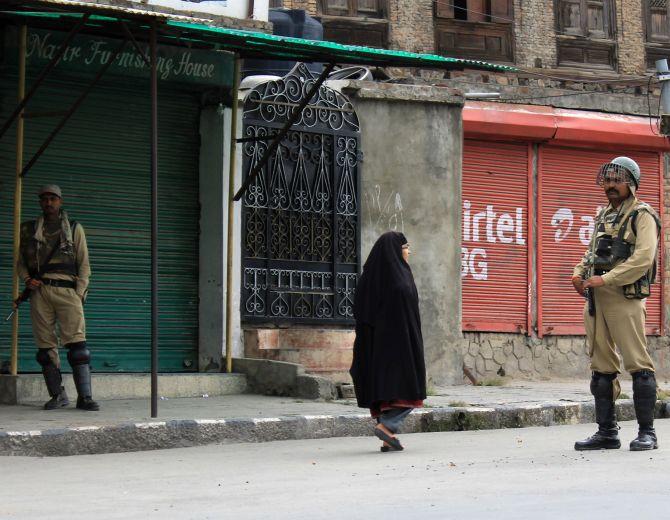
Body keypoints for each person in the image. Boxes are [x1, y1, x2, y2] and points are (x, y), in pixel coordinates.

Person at [571, 157, 660, 451]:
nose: (610, 185)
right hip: (597, 298)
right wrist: (579, 273)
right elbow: (592, 250)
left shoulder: (642, 215)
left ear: (631, 183)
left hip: (625, 298)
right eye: (607, 180)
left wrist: (607, 279)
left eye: (616, 180)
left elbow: (643, 258)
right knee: (601, 366)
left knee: (638, 363)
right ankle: (606, 432)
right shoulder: (604, 215)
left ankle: (647, 433)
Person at [17, 184, 99, 411]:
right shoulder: (29, 229)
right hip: (40, 292)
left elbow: (84, 264)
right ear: (40, 202)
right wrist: (27, 280)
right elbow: (21, 262)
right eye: (44, 199)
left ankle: (85, 397)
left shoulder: (73, 228)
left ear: (60, 201)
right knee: (45, 349)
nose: (48, 203)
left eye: (53, 199)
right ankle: (58, 395)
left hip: (67, 290)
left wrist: (79, 292)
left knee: (78, 347)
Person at [350, 231, 426, 452]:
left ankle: (388, 437)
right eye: (406, 247)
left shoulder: (370, 276)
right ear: (395, 250)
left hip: (375, 348)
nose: (408, 251)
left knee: (385, 392)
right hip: (400, 346)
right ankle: (388, 426)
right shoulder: (399, 279)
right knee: (410, 389)